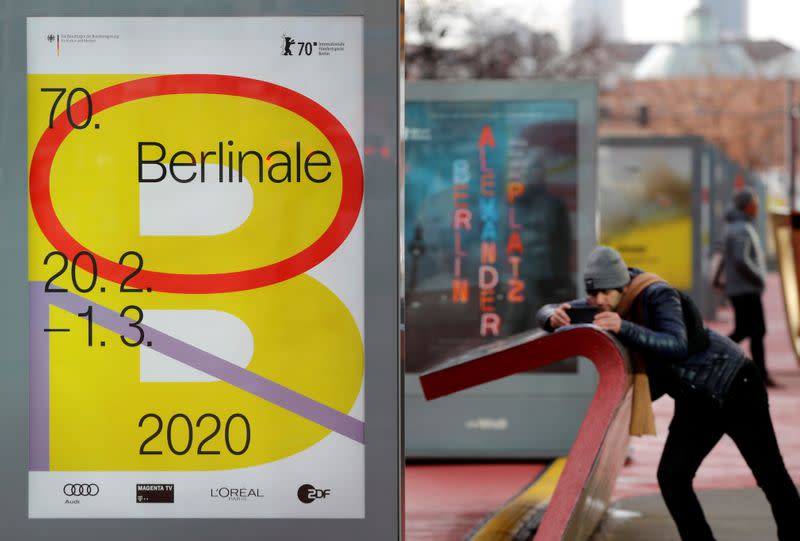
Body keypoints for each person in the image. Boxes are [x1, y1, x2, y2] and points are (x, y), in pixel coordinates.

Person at [537, 246, 800, 541]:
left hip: (737, 385)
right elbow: (548, 309)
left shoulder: (658, 294)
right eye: (592, 295)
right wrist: (552, 316)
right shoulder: (605, 304)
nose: (598, 302)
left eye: (604, 293)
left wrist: (624, 327)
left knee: (769, 472)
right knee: (673, 477)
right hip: (696, 399)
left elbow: (676, 344)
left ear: (623, 285)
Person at [723, 188, 774, 386]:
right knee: (750, 330)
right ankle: (711, 352)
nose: (758, 207)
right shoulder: (740, 228)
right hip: (745, 289)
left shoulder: (738, 226)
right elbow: (740, 259)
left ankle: (762, 374)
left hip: (742, 289)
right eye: (755, 203)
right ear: (747, 206)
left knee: (753, 331)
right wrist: (759, 277)